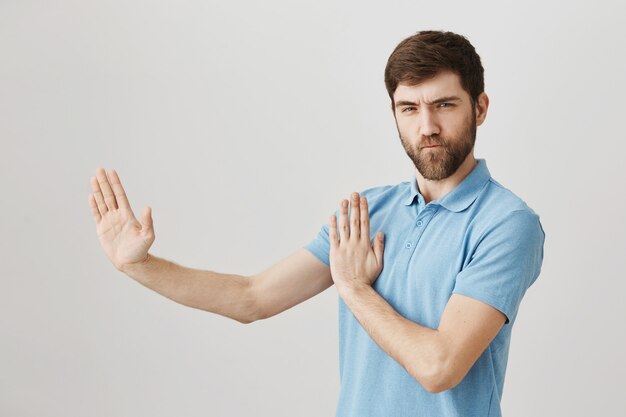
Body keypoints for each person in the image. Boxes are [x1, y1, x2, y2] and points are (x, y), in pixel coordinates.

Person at [88, 30, 545, 417]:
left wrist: (354, 287)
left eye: (444, 105)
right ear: (394, 115)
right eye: (409, 108)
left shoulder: (507, 223)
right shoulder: (366, 211)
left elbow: (439, 367)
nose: (426, 126)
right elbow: (251, 298)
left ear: (479, 108)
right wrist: (139, 265)